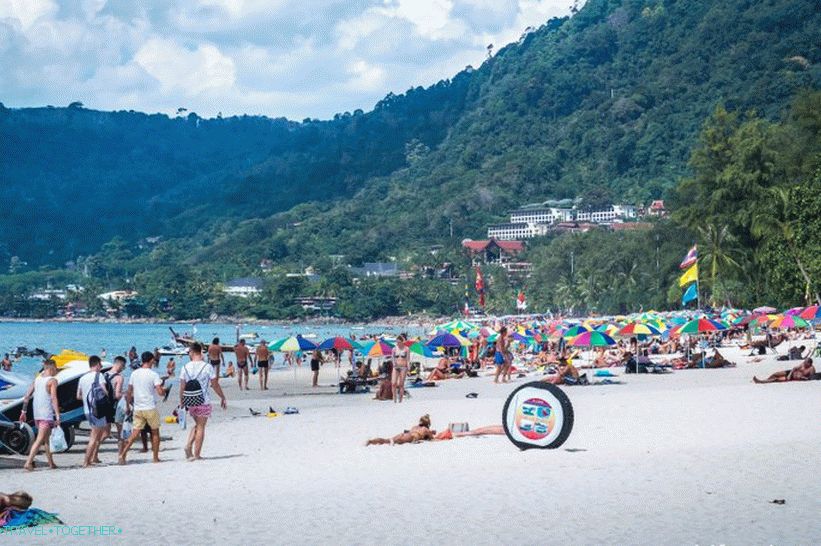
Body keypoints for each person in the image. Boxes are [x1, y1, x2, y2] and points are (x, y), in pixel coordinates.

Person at [179, 343, 228, 461]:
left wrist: (182, 401)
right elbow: (214, 384)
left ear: (191, 352)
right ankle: (196, 454)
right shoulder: (207, 367)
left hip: (190, 400)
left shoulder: (184, 367)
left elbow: (182, 386)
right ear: (200, 352)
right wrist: (222, 397)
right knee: (201, 427)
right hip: (203, 400)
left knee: (197, 424)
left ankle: (189, 445)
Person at [119, 352, 164, 465]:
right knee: (155, 432)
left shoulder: (134, 374)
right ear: (151, 360)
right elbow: (159, 392)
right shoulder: (153, 374)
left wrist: (128, 405)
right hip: (150, 407)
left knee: (134, 434)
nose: (154, 362)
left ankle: (122, 454)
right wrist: (164, 391)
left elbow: (129, 391)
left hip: (138, 407)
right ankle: (155, 458)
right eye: (153, 360)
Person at [20, 359, 60, 471]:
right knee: (40, 439)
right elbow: (53, 398)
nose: (56, 371)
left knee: (46, 439)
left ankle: (51, 463)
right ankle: (28, 462)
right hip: (46, 414)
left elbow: (27, 395)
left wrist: (23, 412)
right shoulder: (52, 381)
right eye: (56, 368)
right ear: (51, 368)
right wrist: (57, 415)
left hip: (36, 414)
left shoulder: (37, 379)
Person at [76, 355, 109, 467]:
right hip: (97, 410)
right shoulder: (99, 376)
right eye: (100, 364)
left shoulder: (82, 378)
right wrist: (107, 397)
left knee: (97, 434)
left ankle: (93, 458)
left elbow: (78, 396)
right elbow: (104, 390)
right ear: (97, 364)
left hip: (87, 410)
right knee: (94, 437)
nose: (101, 366)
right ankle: (86, 461)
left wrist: (88, 398)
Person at [104, 356, 126, 451]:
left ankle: (94, 455)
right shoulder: (119, 377)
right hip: (115, 407)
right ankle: (121, 456)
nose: (123, 369)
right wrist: (125, 395)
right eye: (123, 367)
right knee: (120, 433)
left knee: (105, 433)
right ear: (120, 364)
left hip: (105, 406)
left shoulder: (104, 374)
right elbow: (117, 395)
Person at [366, 415, 435, 445]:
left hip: (403, 434)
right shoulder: (426, 429)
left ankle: (371, 441)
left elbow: (413, 432)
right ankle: (371, 441)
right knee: (390, 442)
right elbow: (432, 439)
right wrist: (431, 433)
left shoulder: (415, 427)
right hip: (411, 437)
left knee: (387, 440)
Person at [391, 335, 410, 403]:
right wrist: (394, 364)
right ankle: (394, 399)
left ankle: (400, 400)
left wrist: (409, 369)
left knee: (401, 384)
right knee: (393, 383)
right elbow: (392, 358)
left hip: (403, 367)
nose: (398, 343)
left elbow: (407, 360)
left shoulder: (406, 349)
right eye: (397, 342)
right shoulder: (394, 349)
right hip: (396, 367)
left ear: (402, 342)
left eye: (399, 342)